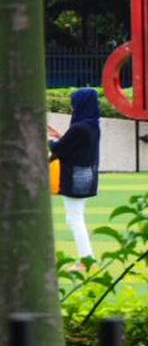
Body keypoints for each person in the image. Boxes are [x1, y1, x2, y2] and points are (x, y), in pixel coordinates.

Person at [47, 88, 101, 262]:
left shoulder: (78, 128)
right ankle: (86, 258)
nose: (72, 107)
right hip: (86, 176)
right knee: (75, 217)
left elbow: (58, 148)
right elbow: (75, 146)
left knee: (75, 218)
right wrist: (60, 136)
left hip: (74, 177)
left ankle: (87, 259)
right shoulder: (92, 125)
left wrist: (49, 139)